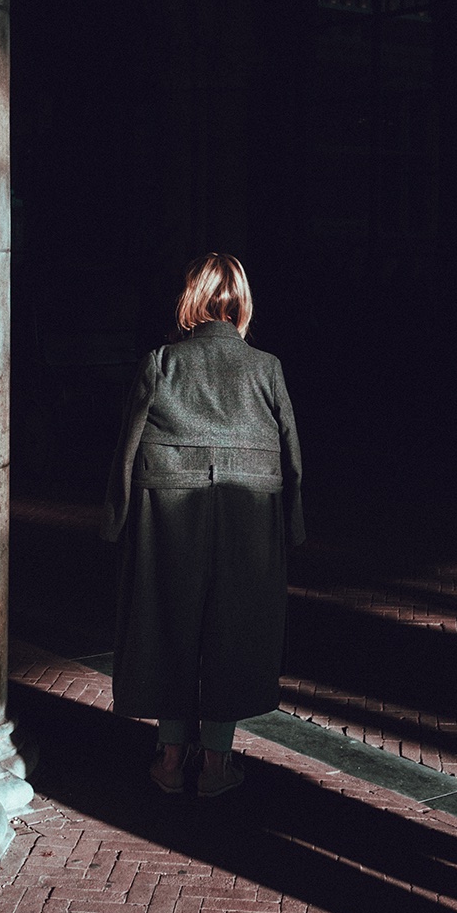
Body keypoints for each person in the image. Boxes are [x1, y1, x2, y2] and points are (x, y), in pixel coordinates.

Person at [100, 252, 305, 796]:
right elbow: (291, 455)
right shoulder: (266, 368)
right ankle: (216, 765)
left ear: (190, 300)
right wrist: (293, 523)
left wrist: (116, 519)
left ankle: (169, 759)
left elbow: (127, 446)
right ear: (241, 304)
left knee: (167, 616)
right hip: (248, 508)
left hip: (168, 502)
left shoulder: (162, 362)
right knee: (233, 626)